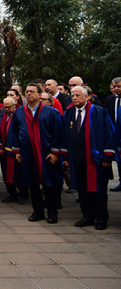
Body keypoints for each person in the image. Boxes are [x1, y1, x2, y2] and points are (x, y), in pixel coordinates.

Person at [7, 83, 64, 223]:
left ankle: (52, 212)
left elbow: (57, 133)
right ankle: (37, 211)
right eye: (26, 92)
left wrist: (55, 152)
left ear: (40, 94)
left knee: (48, 184)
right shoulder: (19, 112)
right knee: (32, 183)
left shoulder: (50, 112)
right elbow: (14, 132)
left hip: (46, 153)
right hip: (28, 153)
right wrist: (17, 151)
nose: (28, 94)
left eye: (32, 92)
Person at [61, 86, 116, 230]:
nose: (74, 98)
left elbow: (108, 134)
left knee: (98, 190)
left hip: (95, 158)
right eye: (73, 96)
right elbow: (65, 137)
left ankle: (101, 217)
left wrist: (107, 156)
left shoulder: (99, 112)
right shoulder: (68, 114)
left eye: (78, 95)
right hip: (77, 158)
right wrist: (65, 156)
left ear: (87, 97)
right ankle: (87, 215)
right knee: (82, 189)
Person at [0, 97, 29, 204]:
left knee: (20, 173)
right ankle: (11, 194)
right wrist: (0, 146)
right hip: (4, 150)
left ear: (15, 105)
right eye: (4, 107)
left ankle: (23, 194)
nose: (6, 109)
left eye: (9, 107)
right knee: (6, 173)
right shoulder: (1, 117)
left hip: (17, 150)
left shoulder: (20, 116)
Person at [103, 77, 121, 192]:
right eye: (114, 87)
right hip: (114, 132)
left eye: (118, 86)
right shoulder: (110, 99)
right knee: (118, 158)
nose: (116, 89)